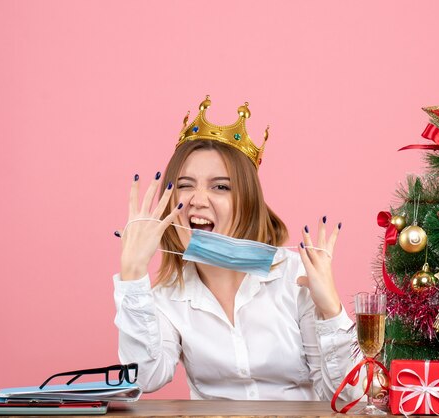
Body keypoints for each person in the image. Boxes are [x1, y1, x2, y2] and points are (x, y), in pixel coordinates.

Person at [113, 96, 360, 401]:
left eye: (221, 187)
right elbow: (144, 378)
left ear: (248, 200)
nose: (197, 200)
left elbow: (347, 397)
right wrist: (132, 276)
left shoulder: (295, 277)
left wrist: (330, 309)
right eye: (186, 185)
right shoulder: (167, 295)